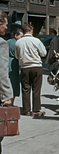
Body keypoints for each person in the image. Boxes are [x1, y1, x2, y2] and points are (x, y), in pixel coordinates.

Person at [15, 23, 47, 116]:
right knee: (36, 89)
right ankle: (36, 109)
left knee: (25, 89)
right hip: (36, 66)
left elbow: (17, 56)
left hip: (25, 67)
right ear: (31, 31)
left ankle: (27, 110)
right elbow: (43, 53)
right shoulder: (36, 41)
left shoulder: (18, 42)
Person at [0, 10, 13, 154]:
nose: (7, 28)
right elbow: (1, 73)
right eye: (5, 24)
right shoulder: (2, 44)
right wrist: (7, 95)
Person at [7, 28, 23, 105]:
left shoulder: (7, 41)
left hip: (6, 62)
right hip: (14, 63)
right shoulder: (17, 43)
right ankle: (11, 102)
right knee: (14, 84)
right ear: (16, 35)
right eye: (21, 36)